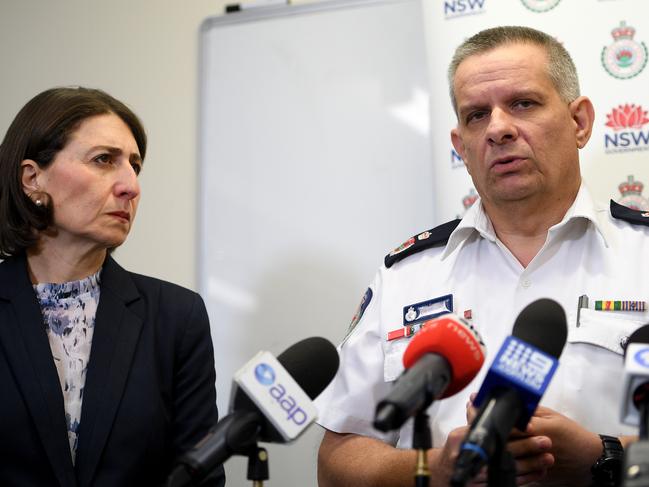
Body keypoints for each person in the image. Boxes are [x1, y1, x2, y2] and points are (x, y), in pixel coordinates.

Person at [316, 26, 649, 487]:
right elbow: (336, 462)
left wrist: (602, 456)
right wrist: (440, 467)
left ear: (580, 122)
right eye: (476, 115)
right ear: (461, 147)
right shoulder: (407, 276)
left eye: (523, 104)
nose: (498, 128)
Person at [0, 87, 224, 487]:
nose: (130, 186)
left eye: (135, 166)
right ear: (32, 179)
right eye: (104, 160)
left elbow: (199, 477)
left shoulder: (176, 316)